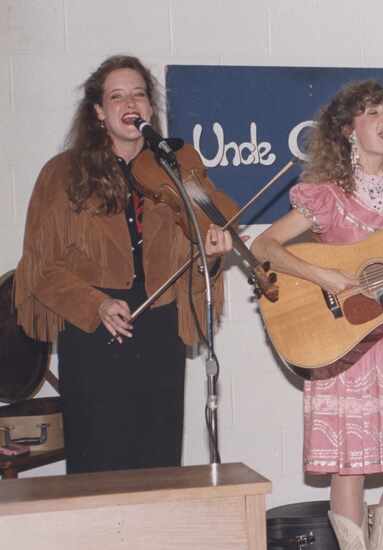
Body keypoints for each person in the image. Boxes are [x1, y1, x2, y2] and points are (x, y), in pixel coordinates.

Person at [251, 80, 383, 550]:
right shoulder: (326, 195)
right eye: (372, 113)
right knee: (351, 461)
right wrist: (322, 275)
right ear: (348, 130)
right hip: (344, 340)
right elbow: (264, 247)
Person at [14, 55, 233, 474]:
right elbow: (39, 268)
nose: (129, 102)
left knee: (159, 459)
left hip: (161, 328)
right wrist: (94, 303)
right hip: (94, 333)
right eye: (117, 96)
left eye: (138, 93)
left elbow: (198, 251)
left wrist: (214, 255)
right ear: (99, 112)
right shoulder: (62, 174)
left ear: (150, 108)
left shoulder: (178, 168)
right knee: (99, 462)